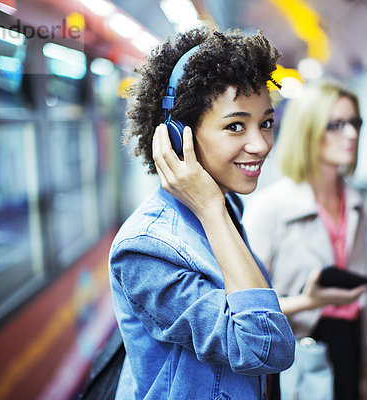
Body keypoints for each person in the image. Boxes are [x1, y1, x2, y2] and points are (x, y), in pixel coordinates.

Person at [109, 27, 295, 400]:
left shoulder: (225, 206)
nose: (259, 144)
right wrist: (211, 209)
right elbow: (263, 346)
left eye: (266, 123)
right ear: (179, 136)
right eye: (235, 126)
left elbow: (237, 310)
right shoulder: (146, 249)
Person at [244, 80, 367, 400]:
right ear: (308, 130)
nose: (351, 134)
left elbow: (358, 298)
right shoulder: (270, 208)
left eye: (355, 123)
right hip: (297, 351)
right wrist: (312, 300)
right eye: (336, 125)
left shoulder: (358, 202)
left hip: (350, 343)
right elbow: (244, 308)